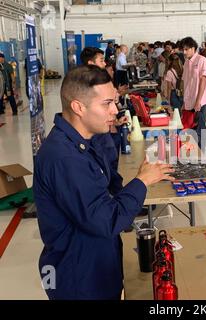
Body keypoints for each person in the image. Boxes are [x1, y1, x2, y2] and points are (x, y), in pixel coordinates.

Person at [33, 65, 175, 300]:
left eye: (114, 102)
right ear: (78, 107)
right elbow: (106, 219)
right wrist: (142, 181)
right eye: (106, 103)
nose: (115, 110)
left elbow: (108, 181)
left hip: (94, 265)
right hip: (79, 279)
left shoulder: (82, 141)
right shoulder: (64, 158)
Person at [181, 37, 206, 150]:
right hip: (189, 100)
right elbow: (186, 82)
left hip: (201, 100)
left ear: (193, 48)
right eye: (183, 50)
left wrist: (198, 101)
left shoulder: (201, 60)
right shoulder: (186, 63)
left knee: (200, 126)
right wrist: (184, 101)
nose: (184, 52)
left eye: (186, 49)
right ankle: (194, 152)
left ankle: (201, 154)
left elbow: (204, 80)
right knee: (191, 128)